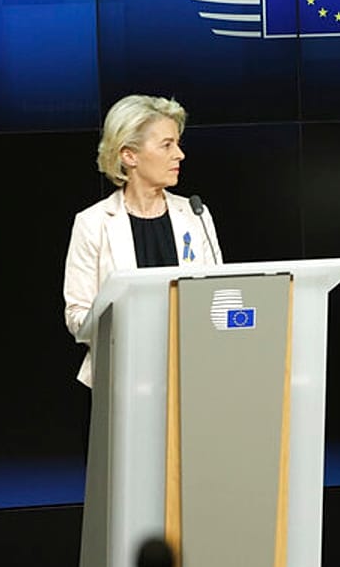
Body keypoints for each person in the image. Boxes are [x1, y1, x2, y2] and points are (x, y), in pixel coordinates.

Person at [63, 94, 222, 386]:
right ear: (129, 155)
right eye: (167, 145)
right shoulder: (93, 223)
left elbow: (218, 297)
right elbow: (77, 318)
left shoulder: (195, 214)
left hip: (192, 375)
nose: (179, 155)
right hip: (121, 377)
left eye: (177, 143)